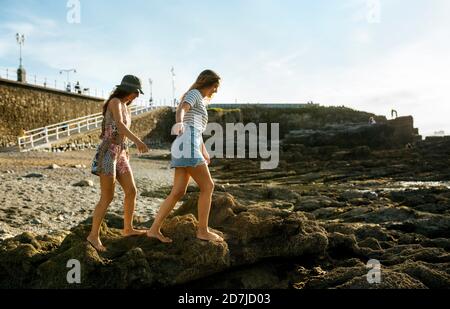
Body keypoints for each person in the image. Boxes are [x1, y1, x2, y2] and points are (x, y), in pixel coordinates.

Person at [147, 70, 224, 243]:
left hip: (186, 145)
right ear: (208, 83)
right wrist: (179, 122)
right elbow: (182, 109)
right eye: (215, 87)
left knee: (178, 192)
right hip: (187, 145)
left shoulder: (199, 100)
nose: (216, 91)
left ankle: (153, 230)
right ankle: (202, 231)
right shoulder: (194, 94)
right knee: (208, 186)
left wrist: (203, 150)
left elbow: (194, 128)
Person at [87, 75, 149, 252]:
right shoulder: (115, 102)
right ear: (128, 90)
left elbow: (122, 131)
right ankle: (93, 236)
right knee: (107, 197)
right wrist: (138, 142)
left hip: (121, 154)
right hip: (108, 154)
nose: (137, 96)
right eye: (136, 92)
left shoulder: (126, 107)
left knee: (131, 191)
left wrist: (127, 152)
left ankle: (128, 228)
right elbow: (120, 126)